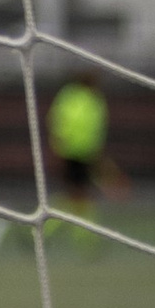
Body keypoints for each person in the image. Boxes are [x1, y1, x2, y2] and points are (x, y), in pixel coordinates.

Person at [45, 74, 112, 234]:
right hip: (74, 153)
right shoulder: (78, 97)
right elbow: (58, 121)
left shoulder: (88, 98)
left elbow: (97, 128)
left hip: (82, 153)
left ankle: (81, 236)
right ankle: (83, 237)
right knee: (78, 195)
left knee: (78, 195)